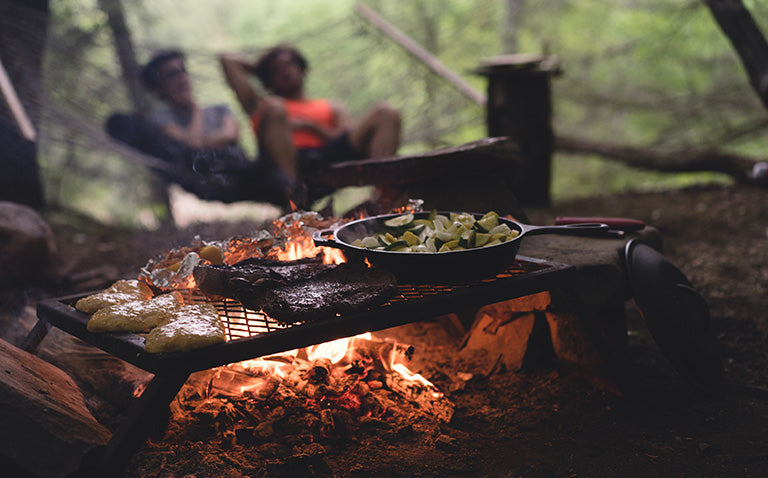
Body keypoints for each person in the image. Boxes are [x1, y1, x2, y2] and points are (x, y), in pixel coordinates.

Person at [106, 49, 293, 206]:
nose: (181, 79)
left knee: (275, 113)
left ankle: (292, 192)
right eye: (172, 74)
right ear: (158, 88)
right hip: (217, 181)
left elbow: (230, 135)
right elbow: (194, 145)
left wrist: (203, 141)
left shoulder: (220, 109)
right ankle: (292, 195)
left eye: (182, 71)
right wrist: (195, 109)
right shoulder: (159, 119)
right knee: (276, 180)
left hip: (248, 169)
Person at [218, 44, 401, 196]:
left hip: (328, 157)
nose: (284, 71)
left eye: (289, 64)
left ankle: (383, 195)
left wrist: (312, 127)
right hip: (284, 165)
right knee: (276, 107)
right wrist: (261, 67)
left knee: (386, 112)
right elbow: (227, 60)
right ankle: (294, 196)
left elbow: (349, 138)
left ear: (301, 68)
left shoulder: (331, 106)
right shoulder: (261, 105)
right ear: (268, 79)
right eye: (276, 69)